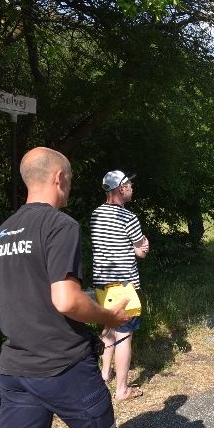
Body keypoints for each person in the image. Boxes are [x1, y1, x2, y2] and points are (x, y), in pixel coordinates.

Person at [0, 147, 132, 428]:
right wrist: (106, 317)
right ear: (58, 178)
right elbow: (65, 301)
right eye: (68, 178)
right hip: (64, 367)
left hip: (14, 370)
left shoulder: (3, 232)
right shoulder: (59, 224)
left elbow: (22, 294)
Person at [91, 170, 150, 401]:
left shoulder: (96, 214)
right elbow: (141, 251)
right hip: (125, 285)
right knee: (124, 335)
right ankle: (123, 390)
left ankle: (105, 374)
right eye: (129, 184)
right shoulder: (129, 218)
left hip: (102, 284)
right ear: (121, 188)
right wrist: (144, 246)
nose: (132, 187)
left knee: (108, 329)